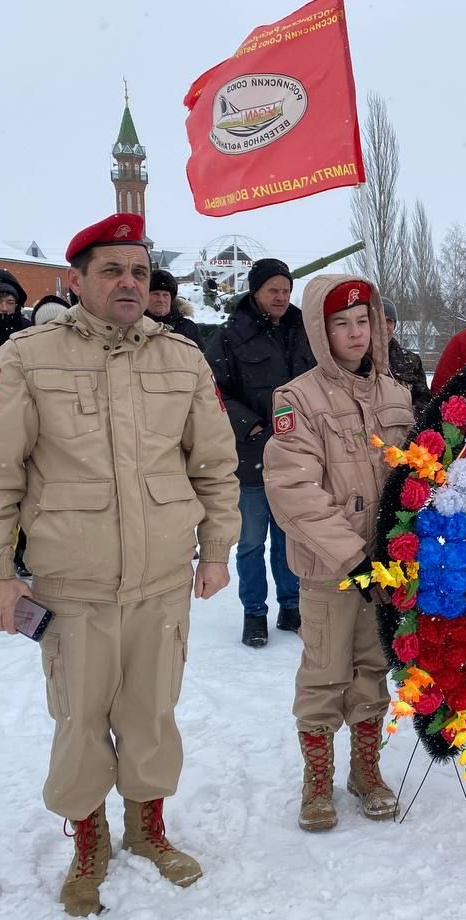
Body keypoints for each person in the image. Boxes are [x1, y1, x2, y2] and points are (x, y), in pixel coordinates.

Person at [0, 213, 240, 917]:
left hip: (163, 578)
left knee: (152, 711)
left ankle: (148, 829)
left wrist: (218, 550)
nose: (128, 283)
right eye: (112, 270)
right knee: (79, 718)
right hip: (73, 581)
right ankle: (89, 841)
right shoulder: (26, 357)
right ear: (77, 280)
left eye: (139, 272)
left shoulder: (182, 358)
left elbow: (216, 467)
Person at [263, 275, 415, 831]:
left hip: (388, 566)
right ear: (320, 331)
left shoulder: (397, 395)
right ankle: (318, 778)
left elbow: (417, 478)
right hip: (333, 569)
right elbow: (293, 489)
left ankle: (366, 770)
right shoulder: (297, 399)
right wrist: (353, 558)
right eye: (340, 324)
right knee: (325, 671)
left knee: (374, 667)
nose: (355, 333)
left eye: (363, 322)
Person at [205, 258, 312, 647]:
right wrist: (248, 424)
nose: (281, 297)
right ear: (256, 293)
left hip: (296, 454)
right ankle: (254, 612)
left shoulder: (304, 330)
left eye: (286, 290)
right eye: (273, 291)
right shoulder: (232, 335)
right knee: (251, 540)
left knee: (289, 537)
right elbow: (213, 390)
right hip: (251, 456)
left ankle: (291, 605)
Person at [382, 296, 432, 418]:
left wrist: (409, 416)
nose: (384, 325)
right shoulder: (358, 360)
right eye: (379, 320)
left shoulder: (411, 361)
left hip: (403, 429)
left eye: (389, 321)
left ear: (394, 325)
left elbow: (424, 399)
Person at [147, 270, 204, 348]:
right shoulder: (136, 326)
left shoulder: (187, 328)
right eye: (156, 294)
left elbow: (200, 358)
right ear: (145, 297)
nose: (161, 299)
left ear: (172, 299)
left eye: (165, 295)